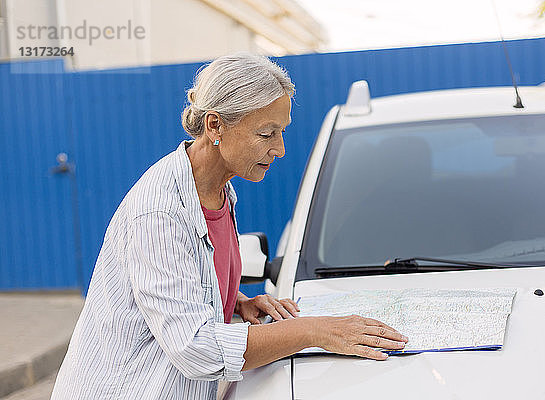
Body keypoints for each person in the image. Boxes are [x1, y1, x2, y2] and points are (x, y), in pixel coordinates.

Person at [51, 53, 408, 400]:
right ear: (215, 125)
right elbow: (197, 349)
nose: (280, 149)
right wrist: (315, 330)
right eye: (267, 134)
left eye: (281, 131)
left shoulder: (218, 190)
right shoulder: (160, 212)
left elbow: (174, 281)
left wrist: (234, 301)